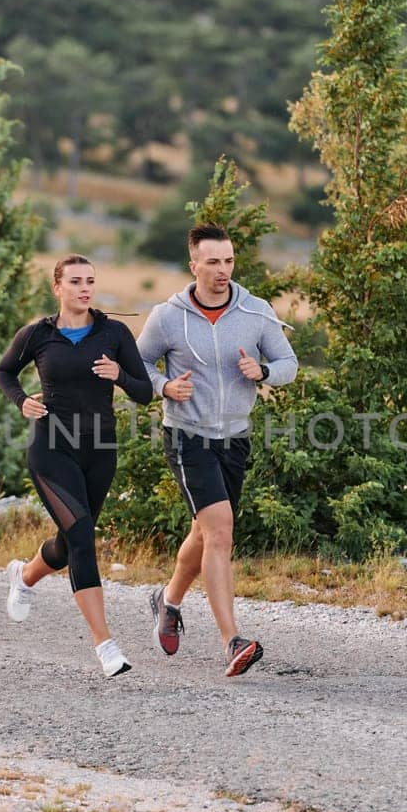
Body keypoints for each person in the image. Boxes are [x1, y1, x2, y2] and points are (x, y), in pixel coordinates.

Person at [136, 223, 298, 676]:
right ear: (194, 266)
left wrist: (262, 372)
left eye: (228, 261)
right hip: (187, 436)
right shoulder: (167, 316)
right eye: (213, 261)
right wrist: (165, 385)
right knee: (221, 530)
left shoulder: (256, 312)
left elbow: (289, 364)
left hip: (235, 437)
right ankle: (233, 641)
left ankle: (166, 601)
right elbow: (140, 363)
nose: (223, 270)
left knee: (206, 533)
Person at [0, 254, 155, 678]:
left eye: (90, 281)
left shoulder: (114, 333)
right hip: (51, 448)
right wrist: (21, 401)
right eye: (76, 282)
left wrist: (120, 373)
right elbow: (5, 371)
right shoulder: (38, 335)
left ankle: (25, 577)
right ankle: (106, 646)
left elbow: (143, 393)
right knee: (83, 536)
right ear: (58, 288)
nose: (85, 288)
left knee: (70, 544)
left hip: (100, 450)